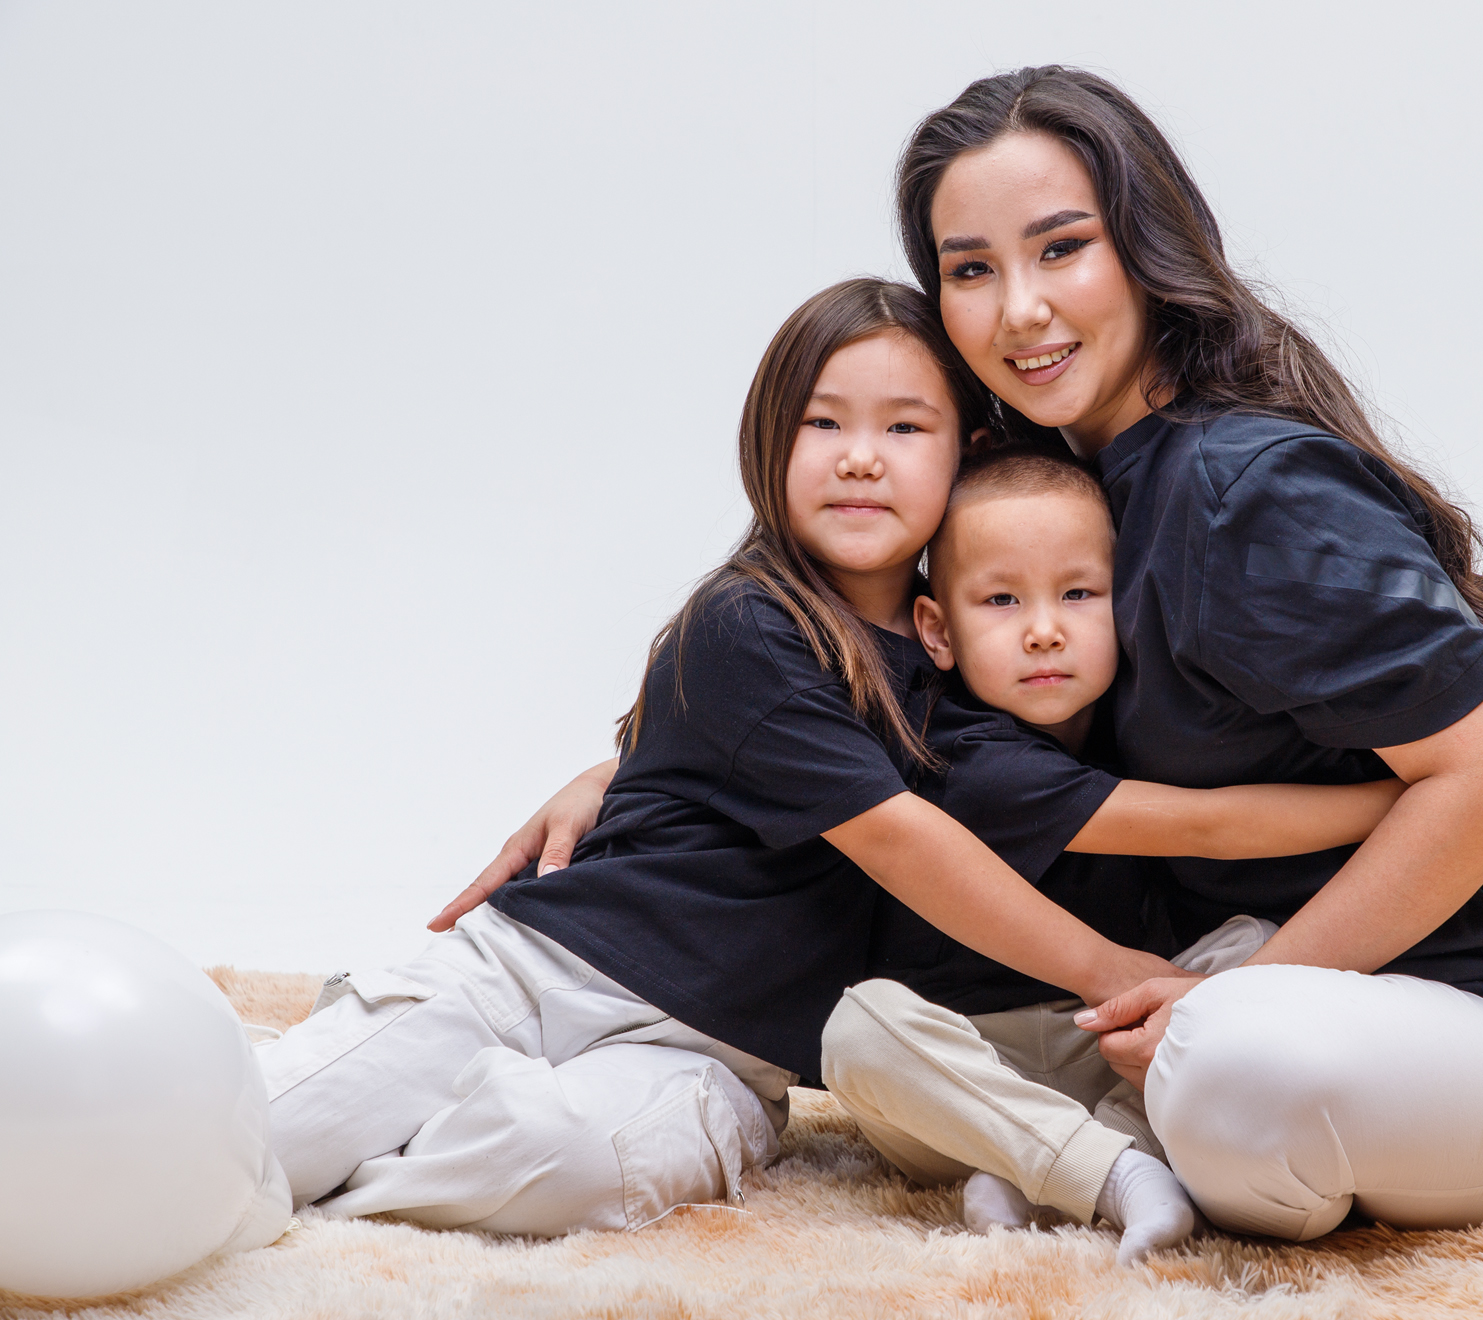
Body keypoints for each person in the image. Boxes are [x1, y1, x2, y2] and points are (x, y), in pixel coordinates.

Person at [889, 66, 1483, 1241]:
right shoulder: (1052, 495)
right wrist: (650, 757)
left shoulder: (1240, 489)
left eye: (1062, 248)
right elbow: (840, 646)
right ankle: (1125, 1135)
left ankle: (1122, 1136)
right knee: (900, 1022)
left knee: (1227, 1060)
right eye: (971, 270)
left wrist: (1226, 1001)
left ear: (1146, 246)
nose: (1020, 311)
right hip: (1273, 984)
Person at [256, 277, 1181, 1237]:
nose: (860, 457)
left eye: (905, 427)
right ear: (769, 441)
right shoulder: (750, 616)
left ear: (969, 452)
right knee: (258, 1133)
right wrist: (1109, 969)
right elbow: (897, 836)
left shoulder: (972, 651)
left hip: (717, 1059)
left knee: (575, 1165)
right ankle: (335, 1092)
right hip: (547, 971)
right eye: (823, 423)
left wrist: (609, 769)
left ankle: (352, 1174)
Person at [818, 446, 1405, 1263]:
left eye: (1078, 593)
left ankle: (1064, 1161)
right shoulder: (970, 758)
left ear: (1124, 604)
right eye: (1001, 600)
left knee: (1254, 943)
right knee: (858, 1028)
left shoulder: (1142, 717)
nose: (1044, 631)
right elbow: (1210, 827)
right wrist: (1415, 794)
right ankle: (1108, 1169)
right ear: (938, 631)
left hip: (1111, 1044)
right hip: (970, 1071)